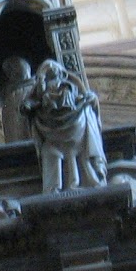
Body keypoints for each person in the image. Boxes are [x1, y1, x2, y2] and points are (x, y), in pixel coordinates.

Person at [23, 59, 106, 192]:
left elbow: (84, 96)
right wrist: (41, 80)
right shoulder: (42, 89)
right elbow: (31, 102)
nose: (53, 71)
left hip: (75, 124)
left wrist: (88, 98)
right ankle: (55, 188)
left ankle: (90, 173)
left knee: (87, 113)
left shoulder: (68, 85)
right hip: (50, 128)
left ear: (62, 73)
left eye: (54, 69)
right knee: (51, 152)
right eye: (49, 70)